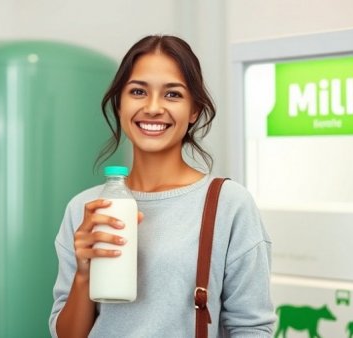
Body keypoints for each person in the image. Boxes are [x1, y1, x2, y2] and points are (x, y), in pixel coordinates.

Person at [49, 34, 275, 337]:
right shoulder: (85, 208)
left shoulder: (228, 205)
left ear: (194, 110)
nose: (153, 108)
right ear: (120, 104)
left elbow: (251, 328)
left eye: (173, 95)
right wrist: (83, 273)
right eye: (138, 91)